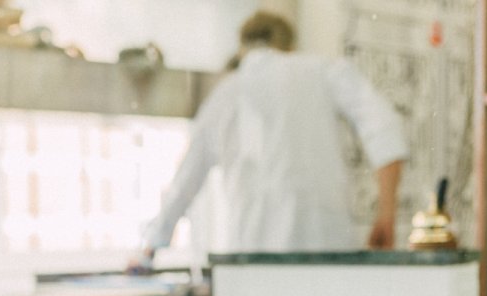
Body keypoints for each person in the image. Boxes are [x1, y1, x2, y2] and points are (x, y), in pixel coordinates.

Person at [134, 11, 408, 269]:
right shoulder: (324, 70)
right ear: (290, 45)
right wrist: (386, 214)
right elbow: (384, 126)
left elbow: (186, 180)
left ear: (242, 48)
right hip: (327, 249)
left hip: (253, 256)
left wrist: (151, 245)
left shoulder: (226, 93)